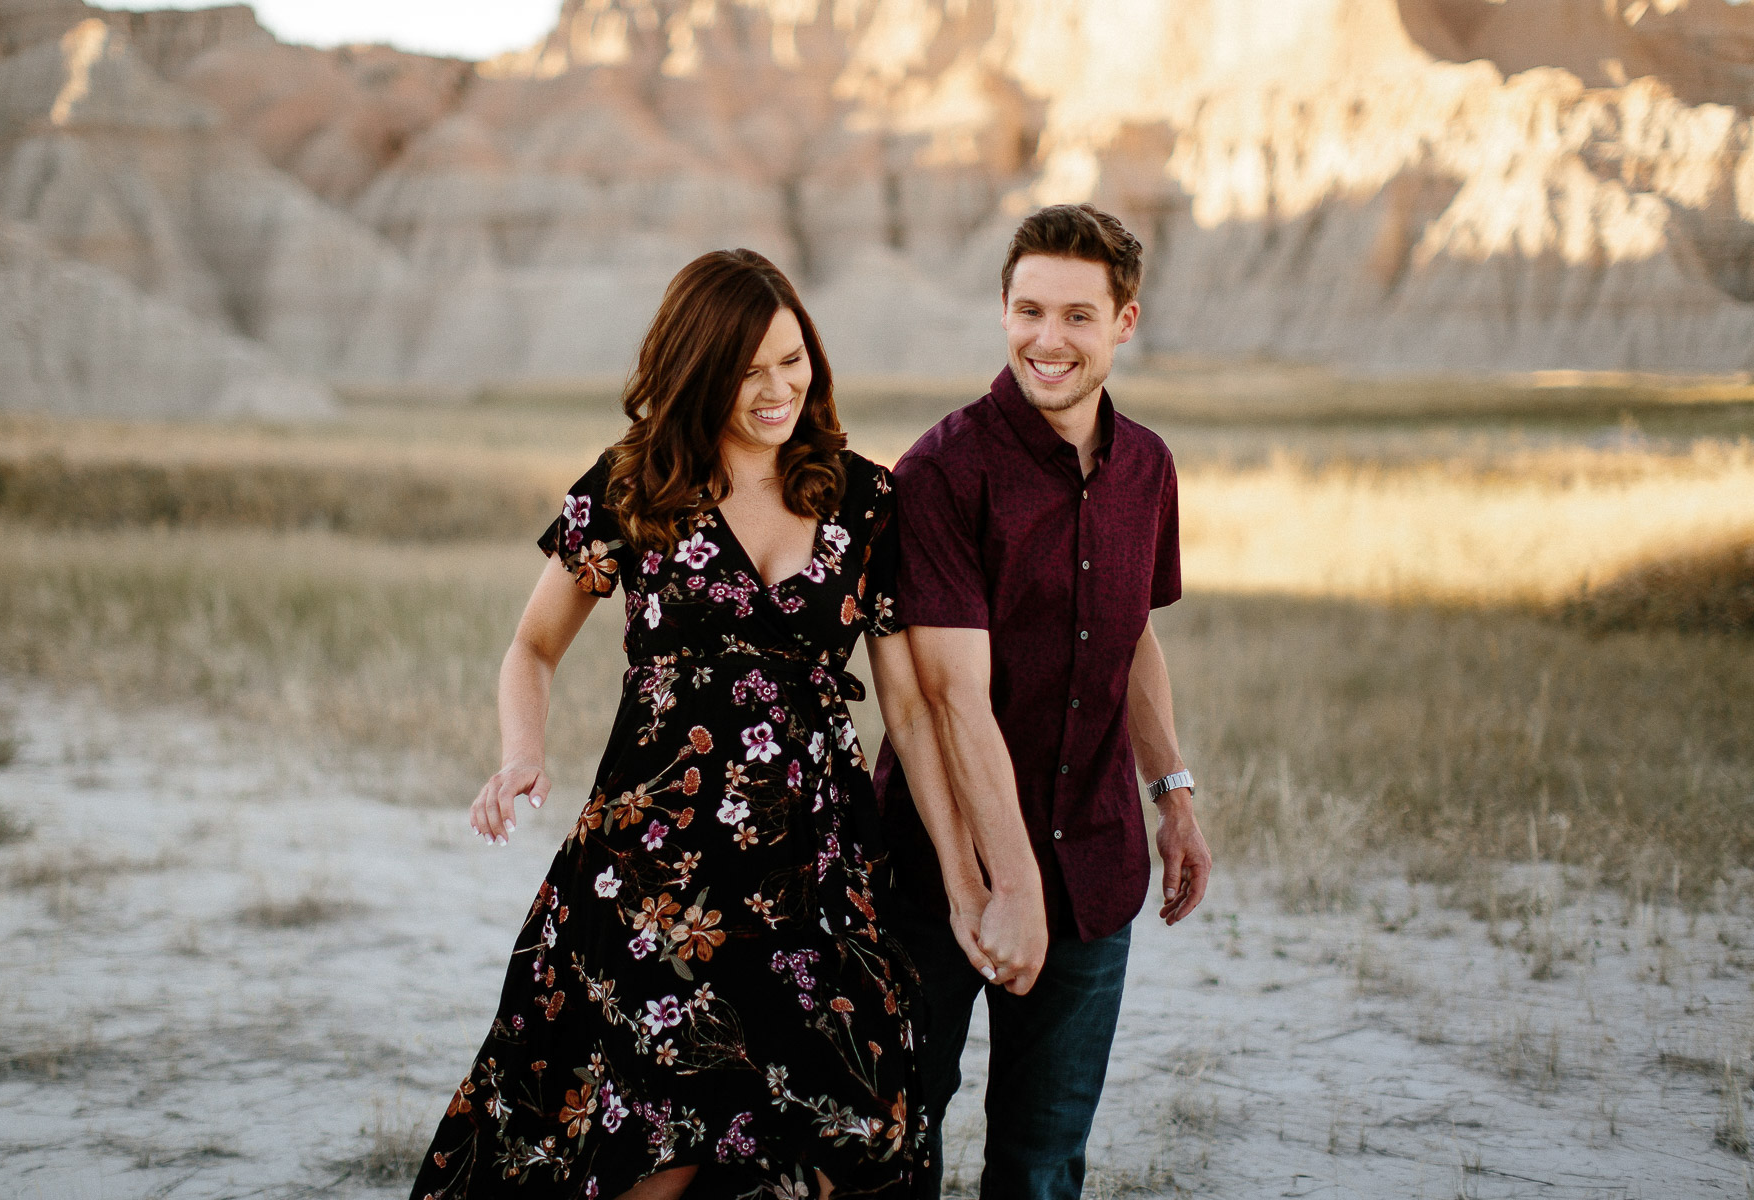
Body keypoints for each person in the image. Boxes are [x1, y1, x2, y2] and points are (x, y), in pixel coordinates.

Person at [411, 249, 959, 1200]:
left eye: (794, 361)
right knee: (655, 1141)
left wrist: (961, 867)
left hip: (816, 873)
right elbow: (531, 649)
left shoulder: (866, 500)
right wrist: (521, 755)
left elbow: (908, 709)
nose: (778, 388)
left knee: (847, 1128)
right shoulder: (635, 487)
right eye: (748, 370)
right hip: (655, 880)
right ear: (699, 369)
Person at [872, 203, 1214, 1200]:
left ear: (1125, 322)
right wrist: (1007, 887)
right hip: (935, 876)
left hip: (1094, 868)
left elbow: (1132, 633)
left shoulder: (1147, 466)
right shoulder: (941, 473)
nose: (1046, 340)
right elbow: (948, 700)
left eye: (1075, 315)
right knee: (895, 1142)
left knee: (1044, 1165)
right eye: (1027, 311)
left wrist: (1174, 794)